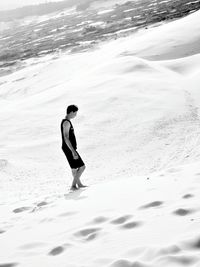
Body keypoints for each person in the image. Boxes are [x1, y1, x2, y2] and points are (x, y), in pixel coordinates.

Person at [61, 105, 86, 191]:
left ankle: (78, 184)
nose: (75, 115)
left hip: (68, 148)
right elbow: (66, 137)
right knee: (82, 167)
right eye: (75, 113)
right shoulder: (66, 122)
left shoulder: (66, 122)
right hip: (68, 148)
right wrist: (73, 151)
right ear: (71, 112)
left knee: (74, 168)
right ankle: (73, 186)